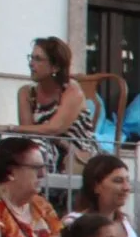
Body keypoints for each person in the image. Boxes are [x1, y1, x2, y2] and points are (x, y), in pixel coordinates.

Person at [14, 36, 98, 169]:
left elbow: (54, 128)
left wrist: (6, 128)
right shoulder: (25, 93)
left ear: (55, 67)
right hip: (44, 147)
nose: (31, 63)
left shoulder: (71, 90)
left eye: (38, 59)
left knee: (34, 151)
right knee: (24, 149)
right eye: (31, 57)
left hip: (77, 154)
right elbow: (28, 132)